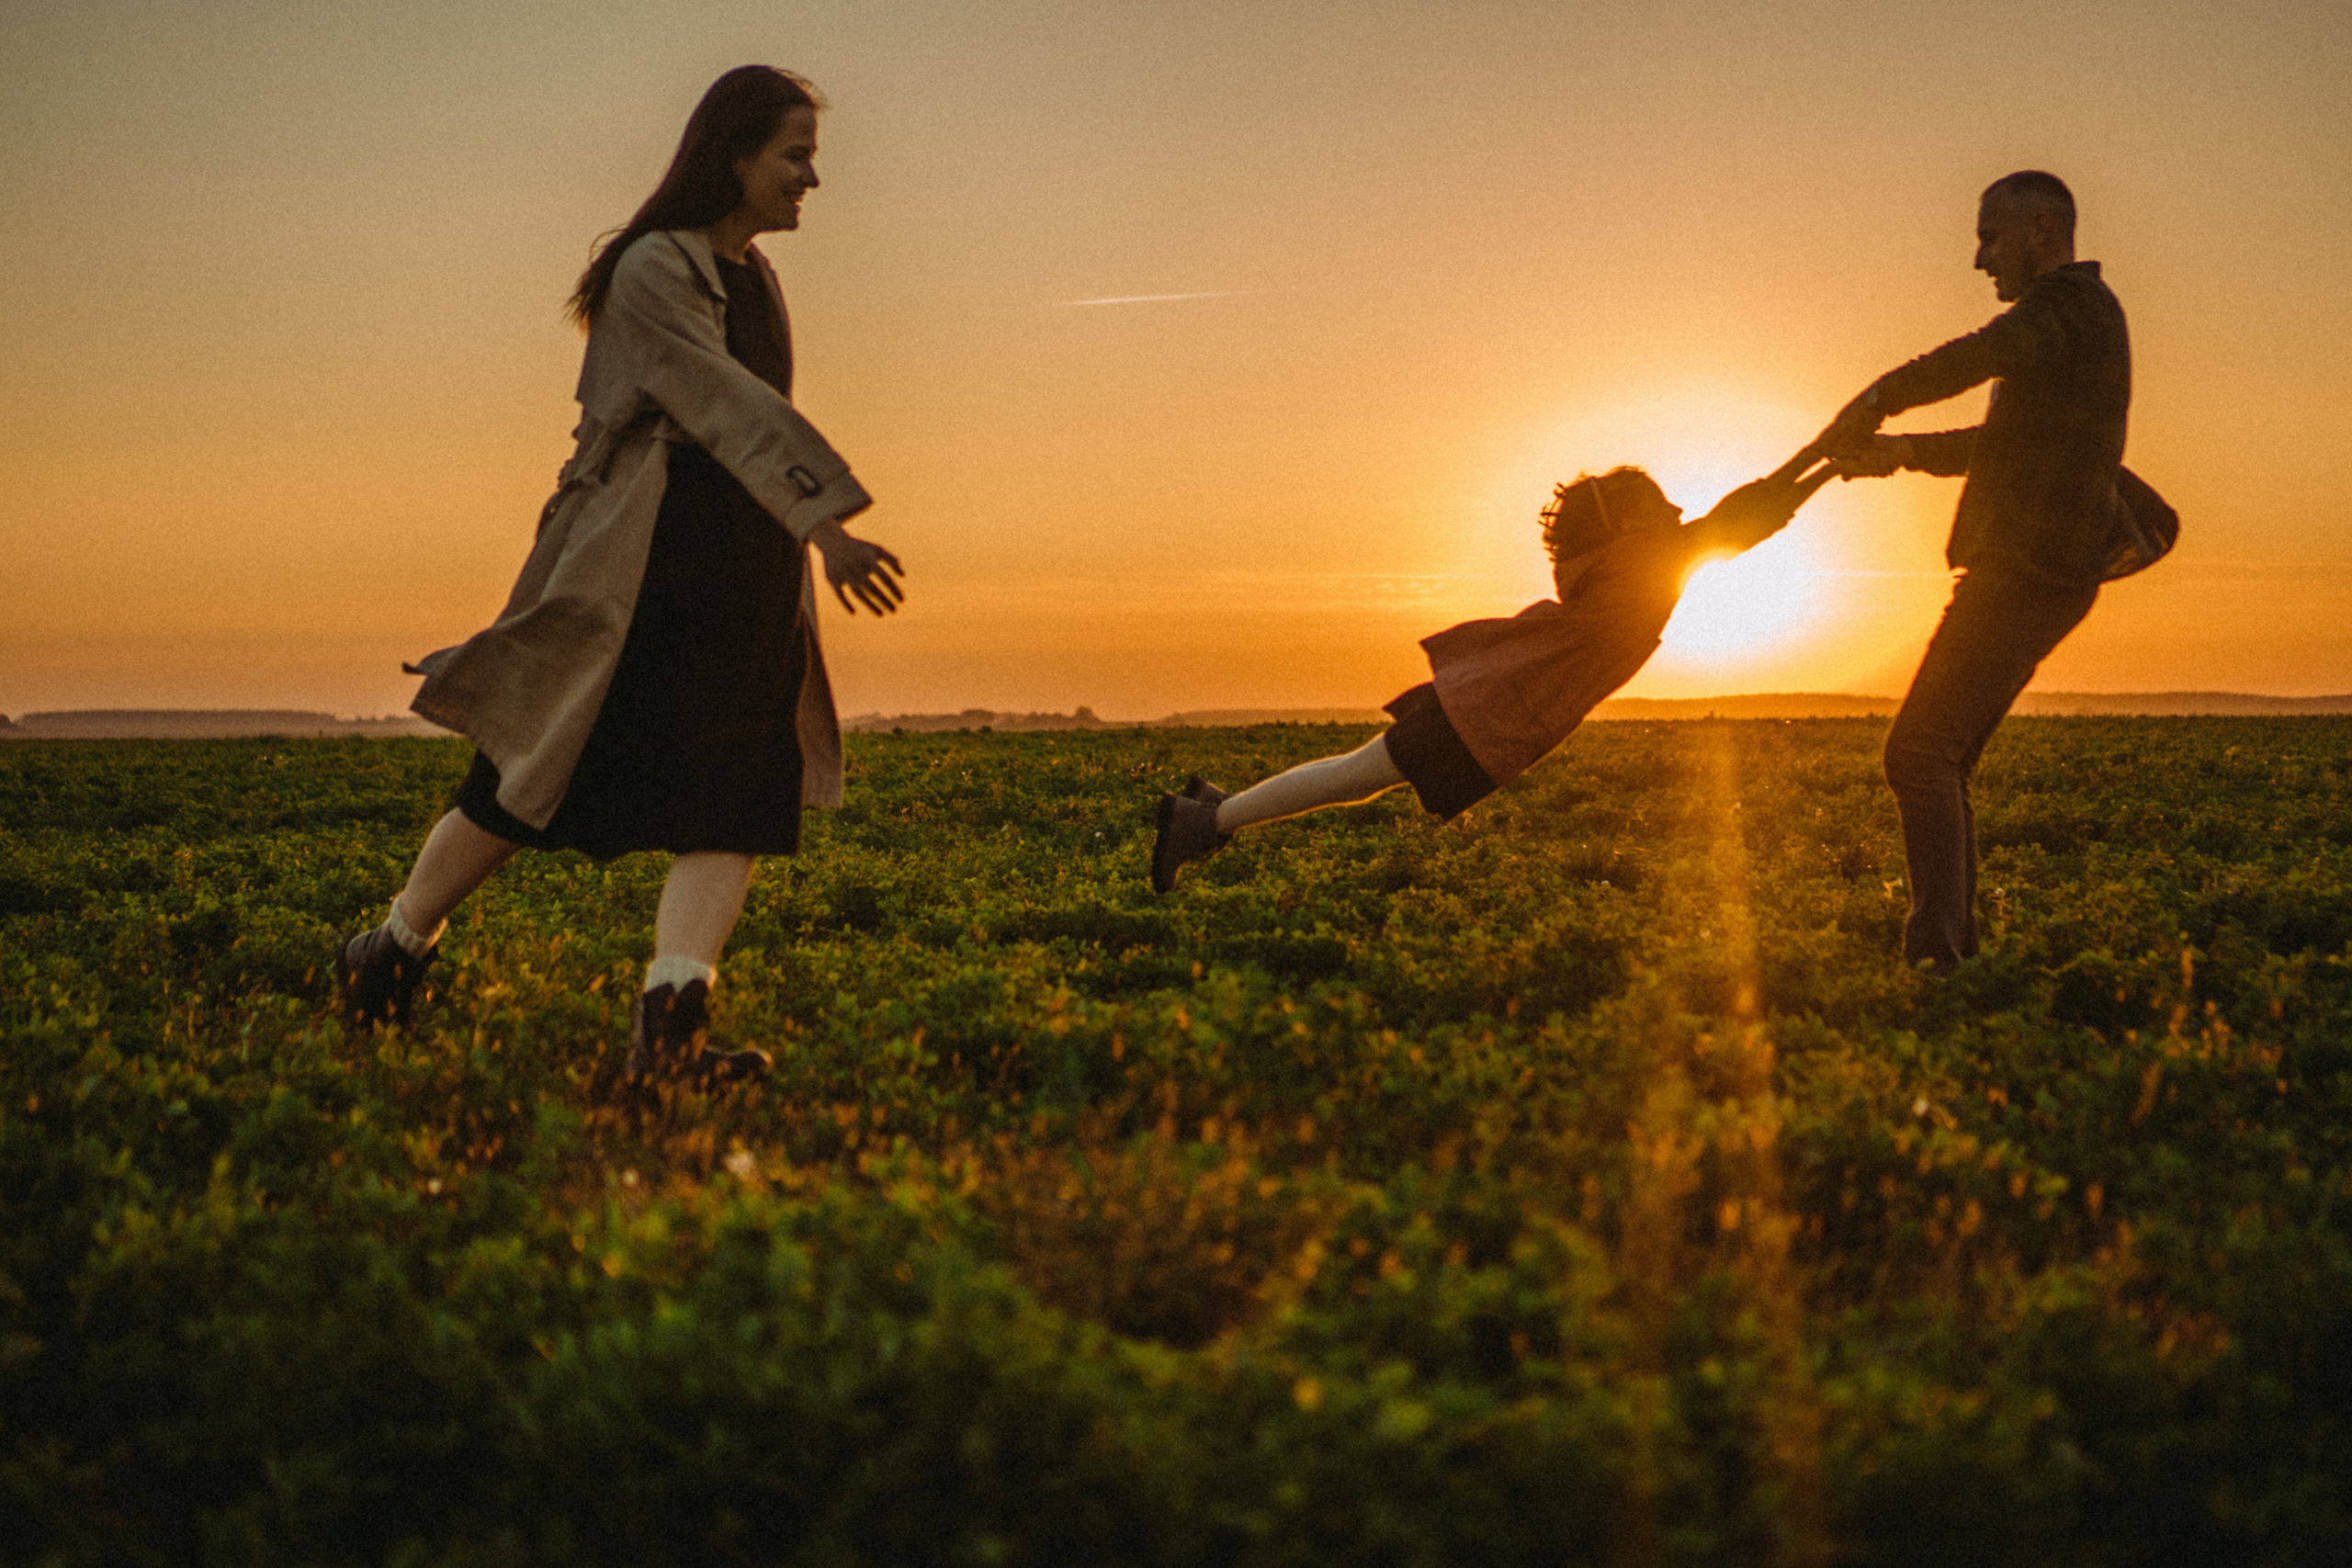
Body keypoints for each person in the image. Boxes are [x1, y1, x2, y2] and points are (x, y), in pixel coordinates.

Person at [335, 66, 905, 1086]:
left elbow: (743, 416)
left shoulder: (758, 280)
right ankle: (390, 948)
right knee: (531, 779)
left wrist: (794, 535)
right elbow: (716, 399)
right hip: (646, 565)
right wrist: (826, 520)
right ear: (732, 156)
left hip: (746, 572)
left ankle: (669, 1035)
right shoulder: (654, 266)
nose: (810, 179)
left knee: (736, 793)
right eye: (794, 155)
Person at [1150, 446, 1832, 890]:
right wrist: (1828, 462)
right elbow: (1738, 520)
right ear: (1629, 525)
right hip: (1490, 709)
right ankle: (1204, 822)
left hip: (1490, 696)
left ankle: (1218, 808)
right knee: (1357, 776)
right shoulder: (1644, 566)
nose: (1677, 511)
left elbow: (1732, 523)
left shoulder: (1631, 566)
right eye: (1660, 505)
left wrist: (1828, 461)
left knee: (1358, 772)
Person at [1819, 170, 2137, 973]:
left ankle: (1938, 962)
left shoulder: (2067, 308)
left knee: (1918, 752)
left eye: (1989, 235)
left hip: (2029, 568)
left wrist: (1882, 394)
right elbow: (2001, 447)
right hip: (2037, 567)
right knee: (1942, 757)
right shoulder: (2070, 329)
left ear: (2040, 230)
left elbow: (1984, 354)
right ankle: (1954, 952)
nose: (1977, 259)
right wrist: (1897, 455)